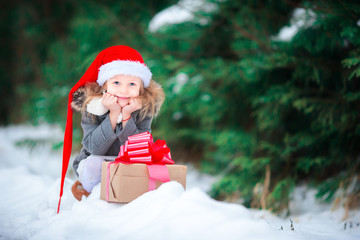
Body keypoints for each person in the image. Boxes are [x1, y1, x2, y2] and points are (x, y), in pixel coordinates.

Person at [58, 46, 165, 205]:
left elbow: (140, 151)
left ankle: (133, 198)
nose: (124, 90)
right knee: (95, 162)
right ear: (105, 84)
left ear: (141, 87)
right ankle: (88, 193)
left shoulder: (143, 108)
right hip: (95, 163)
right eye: (116, 82)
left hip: (127, 163)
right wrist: (114, 115)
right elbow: (94, 148)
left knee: (148, 167)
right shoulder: (92, 106)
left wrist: (127, 117)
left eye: (132, 84)